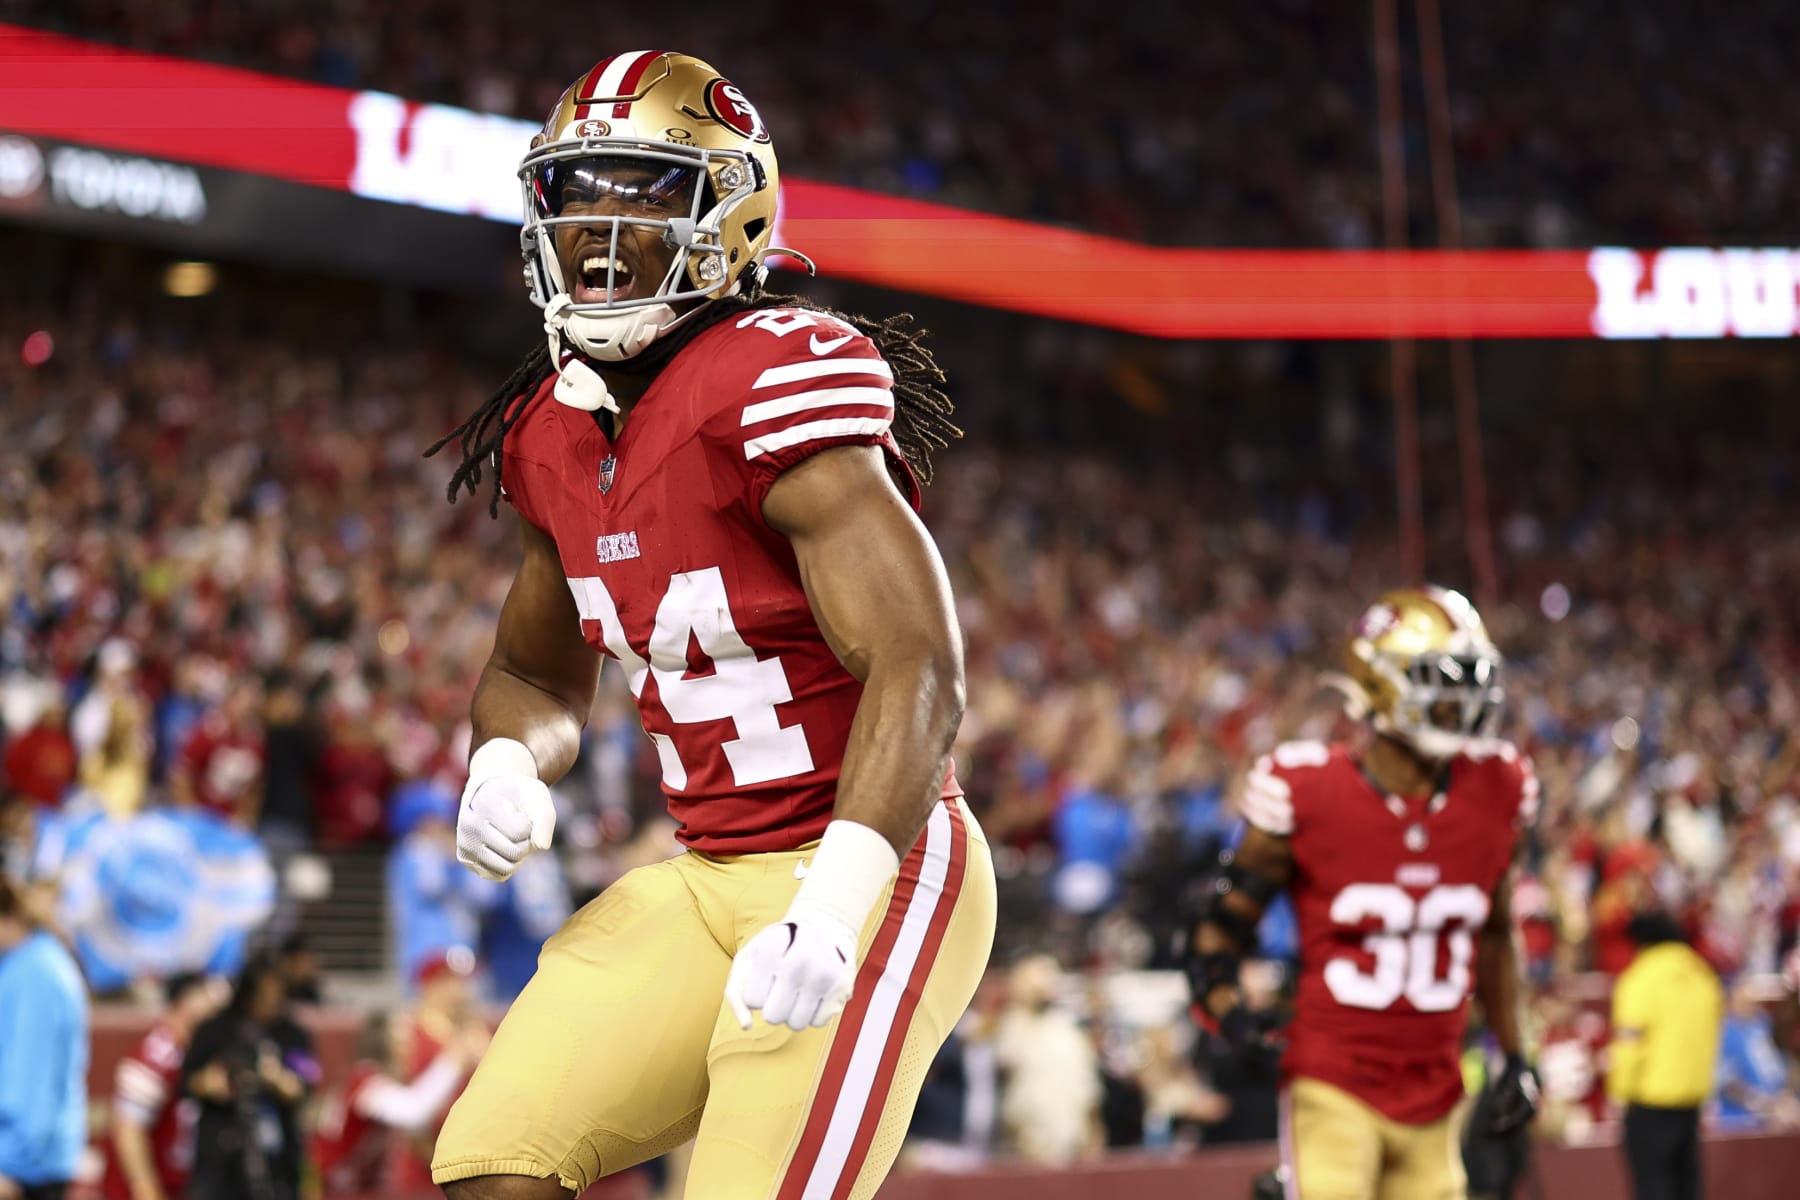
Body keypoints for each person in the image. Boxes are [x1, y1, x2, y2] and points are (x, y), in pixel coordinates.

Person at [423, 49, 996, 1200]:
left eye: (638, 190)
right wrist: (503, 759)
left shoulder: (775, 380)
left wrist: (836, 904)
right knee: (494, 1161)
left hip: (869, 868)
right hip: (704, 872)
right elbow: (535, 676)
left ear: (729, 213)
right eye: (573, 194)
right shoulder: (550, 431)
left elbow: (920, 664)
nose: (594, 227)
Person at [1188, 587, 1541, 1200]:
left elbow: (1494, 931)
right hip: (1333, 1079)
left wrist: (1515, 1051)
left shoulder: (1499, 785)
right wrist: (1231, 1014)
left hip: (1437, 1086)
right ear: (1381, 684)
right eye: (1439, 680)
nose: (1461, 701)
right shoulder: (1306, 789)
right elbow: (1220, 927)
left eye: (1470, 680)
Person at [180, 955, 318, 1200]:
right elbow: (187, 1082)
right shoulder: (214, 1031)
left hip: (276, 1158)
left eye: (276, 995)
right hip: (220, 1154)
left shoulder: (292, 1035)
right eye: (262, 996)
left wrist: (276, 1078)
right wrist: (209, 1082)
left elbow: (305, 1086)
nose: (269, 1004)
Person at [1607, 910, 1724, 1200]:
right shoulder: (1703, 976)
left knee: (1652, 1188)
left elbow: (1631, 1043)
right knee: (1687, 1186)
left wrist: (1620, 1090)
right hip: (1691, 1100)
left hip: (1649, 1101)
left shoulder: (1641, 979)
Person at [312, 1009, 487, 1196]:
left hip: (356, 1187)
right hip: (326, 1185)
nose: (410, 1049)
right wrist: (454, 1060)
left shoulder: (376, 1082)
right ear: (386, 1046)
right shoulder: (363, 1081)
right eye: (402, 1042)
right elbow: (414, 1112)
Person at [0, 872, 89, 1200]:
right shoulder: (19, 965)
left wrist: (8, 1168)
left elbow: (31, 1088)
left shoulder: (36, 975)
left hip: (24, 1175)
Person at [101, 972, 228, 1200]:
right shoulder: (158, 1054)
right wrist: (146, 1187)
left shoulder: (198, 1053)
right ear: (183, 1001)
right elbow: (129, 1128)